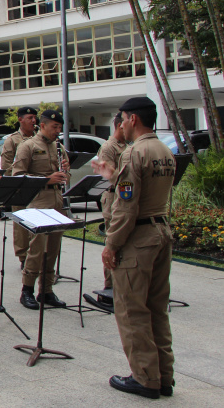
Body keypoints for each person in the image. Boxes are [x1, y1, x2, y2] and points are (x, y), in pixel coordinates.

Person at [92, 97, 175, 399]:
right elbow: (145, 190)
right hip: (160, 231)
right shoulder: (163, 150)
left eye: (123, 120)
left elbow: (126, 207)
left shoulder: (133, 153)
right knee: (156, 310)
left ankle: (144, 378)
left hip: (138, 239)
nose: (122, 125)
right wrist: (112, 176)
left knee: (131, 311)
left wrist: (111, 245)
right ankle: (163, 376)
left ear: (133, 119)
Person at [11, 109, 70, 310]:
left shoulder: (58, 146)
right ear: (43, 125)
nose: (57, 131)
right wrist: (47, 179)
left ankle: (46, 290)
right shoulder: (27, 146)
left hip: (56, 202)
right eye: (54, 127)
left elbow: (63, 174)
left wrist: (64, 172)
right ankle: (26, 290)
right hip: (38, 202)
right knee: (36, 249)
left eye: (59, 128)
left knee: (53, 249)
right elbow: (18, 176)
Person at [92, 112, 127, 309]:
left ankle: (121, 286)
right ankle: (109, 289)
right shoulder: (109, 147)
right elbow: (109, 174)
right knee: (112, 243)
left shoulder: (126, 146)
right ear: (120, 125)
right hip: (113, 196)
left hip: (124, 195)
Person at [0, 106, 38, 269]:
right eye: (30, 118)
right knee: (21, 224)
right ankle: (23, 256)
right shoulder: (12, 140)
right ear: (20, 119)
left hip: (38, 187)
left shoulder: (40, 138)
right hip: (21, 187)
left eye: (35, 118)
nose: (33, 121)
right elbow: (6, 165)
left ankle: (37, 254)